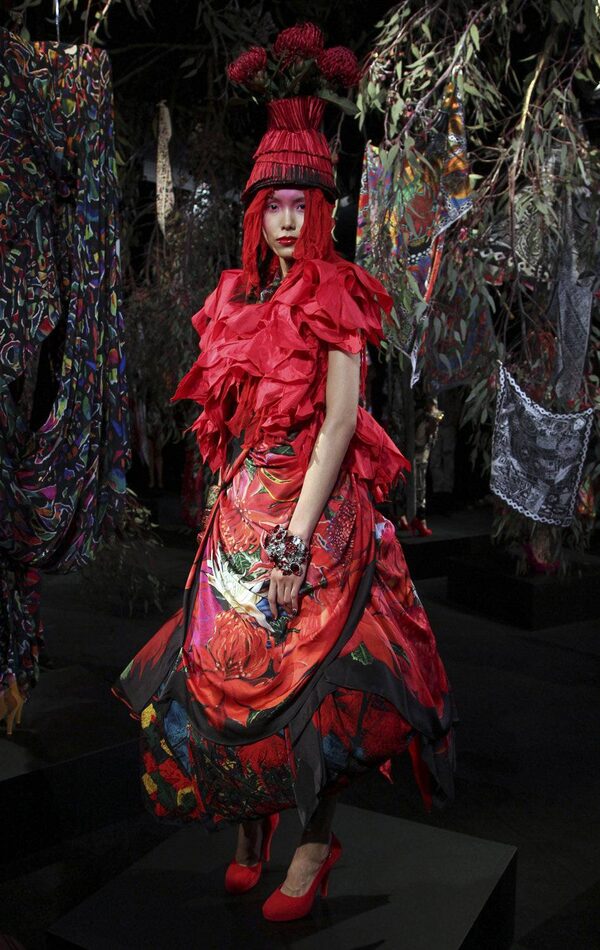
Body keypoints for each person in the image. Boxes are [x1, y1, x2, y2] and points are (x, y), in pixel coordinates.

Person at [114, 49, 455, 924]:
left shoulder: (337, 292)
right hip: (241, 507)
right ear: (256, 211)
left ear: (324, 210)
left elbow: (339, 424)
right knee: (225, 670)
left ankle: (313, 844)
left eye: (303, 205)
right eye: (275, 205)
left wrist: (296, 543)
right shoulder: (239, 295)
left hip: (314, 510)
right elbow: (227, 418)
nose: (288, 222)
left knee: (317, 683)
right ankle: (250, 824)